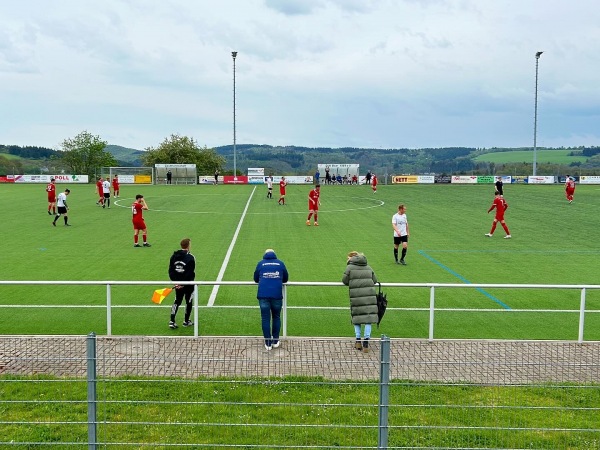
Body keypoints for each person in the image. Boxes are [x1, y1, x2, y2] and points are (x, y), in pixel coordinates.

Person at [342, 251, 378, 353]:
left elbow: (344, 280)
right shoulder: (368, 267)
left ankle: (358, 341)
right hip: (369, 297)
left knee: (357, 318)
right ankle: (366, 342)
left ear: (351, 258)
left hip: (356, 296)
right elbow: (375, 280)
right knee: (368, 319)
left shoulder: (349, 268)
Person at [254, 248, 289, 351]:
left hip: (263, 295)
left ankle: (268, 343)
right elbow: (286, 278)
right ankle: (275, 341)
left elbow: (255, 278)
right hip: (276, 295)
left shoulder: (261, 263)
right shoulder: (280, 263)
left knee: (265, 318)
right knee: (276, 317)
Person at [168, 238, 196, 329]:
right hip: (188, 285)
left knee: (177, 301)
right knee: (189, 301)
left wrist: (176, 283)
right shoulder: (191, 257)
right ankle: (186, 321)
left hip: (177, 285)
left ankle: (172, 321)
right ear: (188, 246)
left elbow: (171, 271)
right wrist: (183, 283)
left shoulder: (174, 256)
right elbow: (190, 273)